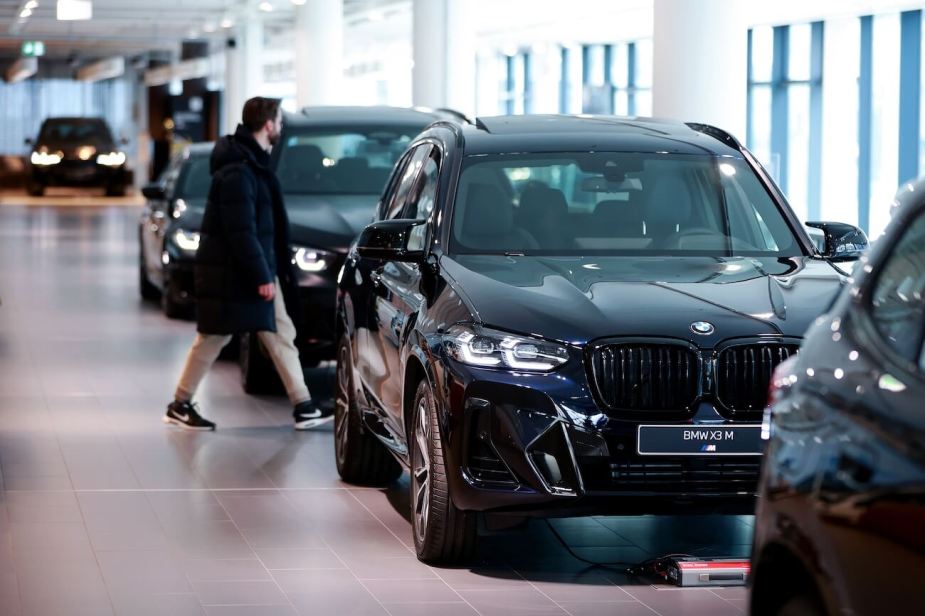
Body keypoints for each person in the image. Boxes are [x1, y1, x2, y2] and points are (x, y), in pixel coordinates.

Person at [163, 96, 332, 431]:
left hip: (249, 270)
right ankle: (180, 403)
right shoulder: (239, 172)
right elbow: (241, 232)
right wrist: (261, 275)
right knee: (214, 337)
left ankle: (304, 405)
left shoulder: (250, 165)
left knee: (280, 331)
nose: (280, 129)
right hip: (237, 274)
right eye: (279, 123)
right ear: (268, 125)